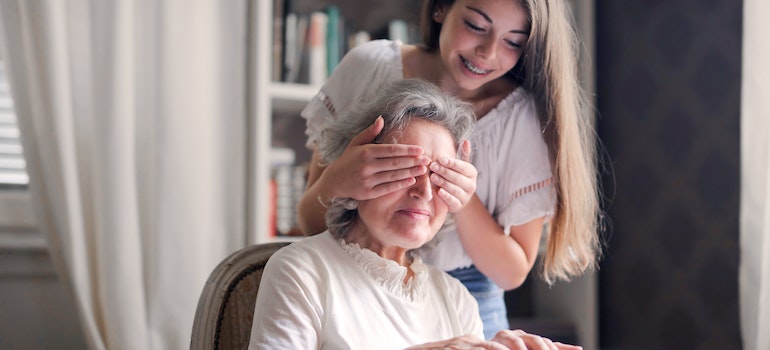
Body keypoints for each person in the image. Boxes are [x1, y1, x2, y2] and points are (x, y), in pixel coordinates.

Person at [297, 0, 602, 339]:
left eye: (513, 42)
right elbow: (311, 224)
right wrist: (340, 180)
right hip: (358, 281)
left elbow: (512, 272)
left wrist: (461, 196)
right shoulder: (369, 67)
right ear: (441, 8)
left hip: (469, 296)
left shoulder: (522, 121)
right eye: (475, 25)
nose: (487, 53)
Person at [249, 79, 580, 350]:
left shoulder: (456, 299)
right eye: (403, 170)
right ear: (359, 171)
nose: (423, 191)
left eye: (440, 177)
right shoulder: (302, 271)